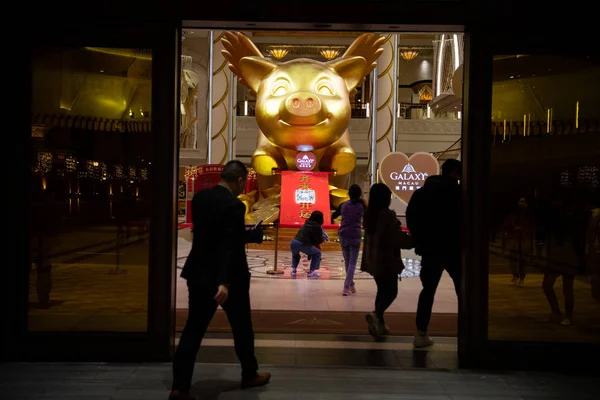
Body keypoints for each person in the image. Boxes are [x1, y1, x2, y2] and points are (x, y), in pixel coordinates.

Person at [169, 160, 270, 400]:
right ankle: (249, 374)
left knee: (193, 330)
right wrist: (224, 282)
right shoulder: (234, 205)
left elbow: (212, 235)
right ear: (239, 181)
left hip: (198, 273)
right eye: (243, 184)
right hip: (227, 279)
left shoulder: (201, 200)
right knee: (242, 328)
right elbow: (229, 244)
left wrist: (247, 235)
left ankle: (179, 387)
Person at [406, 158, 461, 348]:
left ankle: (421, 333)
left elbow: (411, 217)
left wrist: (420, 240)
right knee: (463, 291)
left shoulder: (421, 194)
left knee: (428, 291)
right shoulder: (459, 193)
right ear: (455, 172)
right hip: (454, 249)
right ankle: (467, 331)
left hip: (430, 250)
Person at [361, 183, 412, 338]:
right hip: (386, 259)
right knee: (391, 292)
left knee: (382, 290)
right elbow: (395, 237)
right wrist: (413, 241)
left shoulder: (370, 215)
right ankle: (376, 314)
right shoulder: (387, 215)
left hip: (373, 259)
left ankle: (380, 326)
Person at [331, 184, 366, 296]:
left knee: (347, 260)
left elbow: (334, 216)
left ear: (348, 194)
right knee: (352, 262)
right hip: (355, 234)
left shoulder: (343, 205)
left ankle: (351, 284)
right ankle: (346, 286)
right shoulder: (362, 206)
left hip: (343, 234)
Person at [501, 197, 535, 287]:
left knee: (523, 260)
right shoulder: (513, 215)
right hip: (514, 240)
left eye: (523, 202)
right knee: (513, 259)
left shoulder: (529, 216)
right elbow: (506, 226)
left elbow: (532, 228)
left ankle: (521, 277)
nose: (522, 204)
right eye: (520, 201)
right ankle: (515, 276)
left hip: (524, 239)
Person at [290, 211, 325, 278]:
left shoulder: (306, 223)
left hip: (293, 242)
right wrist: (322, 239)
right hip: (302, 243)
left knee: (295, 255)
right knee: (317, 253)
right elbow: (317, 240)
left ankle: (294, 271)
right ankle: (311, 272)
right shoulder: (317, 227)